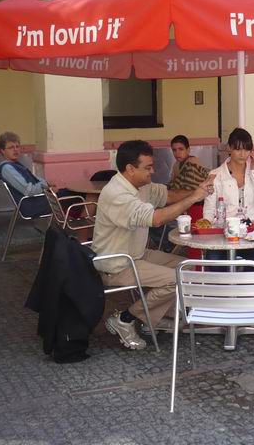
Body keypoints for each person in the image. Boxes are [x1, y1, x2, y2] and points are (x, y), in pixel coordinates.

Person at [92, 140, 214, 350]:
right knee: (176, 279)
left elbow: (170, 195)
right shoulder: (117, 194)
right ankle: (125, 319)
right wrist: (194, 197)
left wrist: (201, 189)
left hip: (136, 253)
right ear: (130, 169)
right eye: (148, 168)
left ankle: (152, 319)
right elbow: (156, 219)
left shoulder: (141, 186)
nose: (153, 171)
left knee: (189, 267)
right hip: (117, 263)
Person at [203, 127, 254, 265]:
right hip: (223, 234)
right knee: (213, 260)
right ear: (229, 148)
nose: (242, 154)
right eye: (238, 149)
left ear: (251, 151)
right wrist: (207, 229)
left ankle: (247, 280)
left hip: (250, 234)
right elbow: (209, 210)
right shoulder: (215, 175)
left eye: (246, 150)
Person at [0, 131, 73, 216]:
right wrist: (47, 187)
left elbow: (35, 180)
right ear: (2, 150)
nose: (15, 149)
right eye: (11, 147)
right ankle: (75, 222)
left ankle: (68, 221)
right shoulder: (7, 168)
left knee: (69, 193)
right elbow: (28, 190)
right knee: (73, 196)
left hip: (37, 199)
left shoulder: (15, 165)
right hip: (32, 205)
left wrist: (48, 185)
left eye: (17, 146)